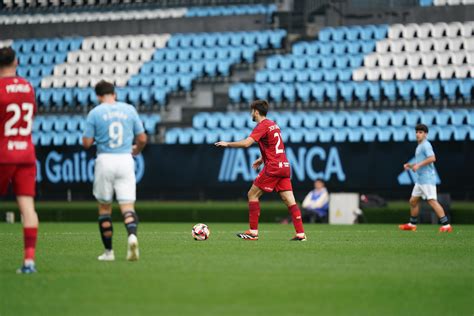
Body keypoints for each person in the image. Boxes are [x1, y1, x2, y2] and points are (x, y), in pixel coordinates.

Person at [215, 100, 306, 241]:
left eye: (252, 111)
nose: (251, 113)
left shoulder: (262, 126)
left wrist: (227, 143)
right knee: (289, 200)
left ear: (256, 112)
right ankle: (300, 234)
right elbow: (274, 146)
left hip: (273, 167)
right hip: (284, 166)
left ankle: (253, 232)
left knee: (252, 194)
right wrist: (261, 159)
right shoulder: (273, 125)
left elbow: (246, 143)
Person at [83, 80, 147, 261]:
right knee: (127, 206)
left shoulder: (95, 113)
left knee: (104, 208)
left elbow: (86, 143)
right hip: (126, 159)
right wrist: (136, 150)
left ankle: (109, 252)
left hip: (105, 159)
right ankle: (132, 236)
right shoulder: (129, 109)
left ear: (98, 96)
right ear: (114, 94)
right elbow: (142, 138)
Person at [0, 47, 39, 274]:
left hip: (3, 153)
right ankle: (29, 261)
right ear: (16, 61)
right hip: (26, 153)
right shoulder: (27, 87)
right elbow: (31, 115)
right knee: (28, 208)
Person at [399, 124, 452, 233]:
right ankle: (412, 224)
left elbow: (432, 158)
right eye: (417, 132)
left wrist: (418, 166)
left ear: (426, 134)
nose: (418, 134)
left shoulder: (426, 145)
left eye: (421, 132)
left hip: (427, 179)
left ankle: (446, 225)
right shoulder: (419, 146)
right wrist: (410, 165)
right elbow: (421, 162)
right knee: (413, 201)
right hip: (420, 180)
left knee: (432, 201)